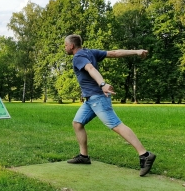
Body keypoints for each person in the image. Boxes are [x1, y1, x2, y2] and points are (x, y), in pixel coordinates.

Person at [64, 34, 156, 177]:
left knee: (116, 125)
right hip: (90, 100)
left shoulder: (78, 57)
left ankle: (145, 154)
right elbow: (114, 53)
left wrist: (102, 84)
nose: (65, 48)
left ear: (71, 46)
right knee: (77, 123)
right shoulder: (91, 52)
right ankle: (84, 156)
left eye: (65, 45)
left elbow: (90, 68)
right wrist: (136, 51)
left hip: (98, 98)